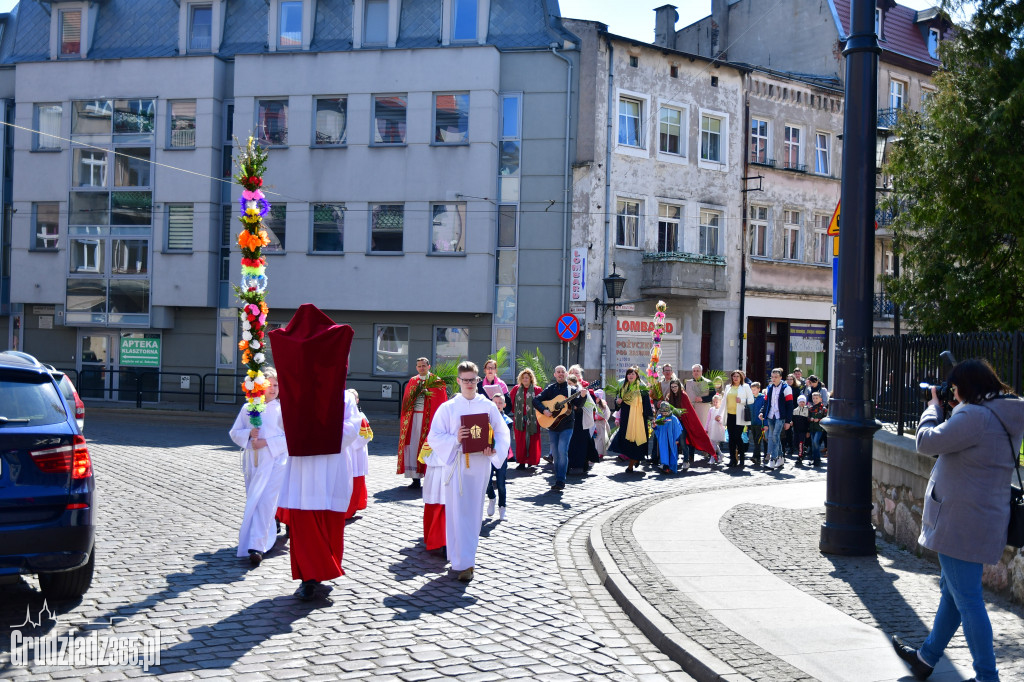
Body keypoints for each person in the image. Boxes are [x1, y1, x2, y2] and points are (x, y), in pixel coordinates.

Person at [891, 359, 1024, 682]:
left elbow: (925, 442)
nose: (952, 396)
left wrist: (933, 408)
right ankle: (926, 658)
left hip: (958, 522)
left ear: (966, 387)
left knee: (968, 601)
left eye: (954, 390)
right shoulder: (1008, 413)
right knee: (953, 593)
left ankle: (987, 677)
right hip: (983, 519)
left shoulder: (973, 415)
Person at [425, 361, 511, 582]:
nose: (469, 384)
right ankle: (459, 560)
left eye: (473, 380)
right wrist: (456, 439)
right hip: (456, 466)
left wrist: (493, 450)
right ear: (458, 381)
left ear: (478, 380)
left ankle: (467, 562)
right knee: (456, 513)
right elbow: (434, 436)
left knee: (473, 514)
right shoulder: (449, 407)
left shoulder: (488, 406)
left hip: (479, 465)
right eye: (465, 380)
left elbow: (502, 433)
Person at [277, 389, 362, 600]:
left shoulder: (345, 397)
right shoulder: (297, 392)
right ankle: (308, 578)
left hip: (332, 470)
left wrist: (321, 428)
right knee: (304, 524)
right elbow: (281, 422)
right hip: (303, 470)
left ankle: (322, 571)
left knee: (329, 525)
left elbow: (352, 428)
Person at [229, 367, 287, 566]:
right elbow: (235, 432)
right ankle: (262, 536)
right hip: (254, 463)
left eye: (277, 385)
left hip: (276, 461)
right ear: (260, 387)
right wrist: (248, 435)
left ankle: (256, 546)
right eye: (269, 385)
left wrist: (267, 442)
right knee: (255, 500)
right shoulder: (248, 409)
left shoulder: (282, 410)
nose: (274, 389)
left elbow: (289, 437)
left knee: (266, 501)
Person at [533, 365, 587, 492]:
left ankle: (561, 480)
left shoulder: (572, 390)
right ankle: (558, 477)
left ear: (566, 374)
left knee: (562, 451)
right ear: (555, 375)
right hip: (553, 425)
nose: (561, 374)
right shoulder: (550, 389)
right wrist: (544, 410)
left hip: (567, 426)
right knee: (556, 455)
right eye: (558, 372)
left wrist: (583, 396)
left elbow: (578, 405)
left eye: (563, 372)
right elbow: (535, 400)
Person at [397, 358, 448, 489]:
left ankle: (430, 478)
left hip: (429, 419)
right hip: (414, 418)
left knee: (428, 447)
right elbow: (407, 400)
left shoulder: (436, 381)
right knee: (414, 446)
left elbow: (441, 402)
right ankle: (415, 479)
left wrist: (427, 396)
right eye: (419, 366)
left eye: (424, 366)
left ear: (428, 366)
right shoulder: (413, 381)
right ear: (416, 367)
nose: (421, 368)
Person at [611, 366, 654, 474]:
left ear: (637, 376)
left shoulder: (642, 388)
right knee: (627, 440)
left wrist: (650, 418)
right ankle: (635, 458)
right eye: (629, 374)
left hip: (639, 418)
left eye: (633, 374)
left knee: (636, 440)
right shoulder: (623, 387)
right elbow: (617, 403)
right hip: (626, 418)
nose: (630, 376)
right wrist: (618, 402)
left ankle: (631, 464)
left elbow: (647, 404)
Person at [344, 389, 372, 520]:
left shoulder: (361, 417)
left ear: (357, 400)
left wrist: (350, 442)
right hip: (347, 452)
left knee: (355, 480)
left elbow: (365, 437)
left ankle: (353, 507)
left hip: (356, 453)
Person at [485, 393, 514, 520]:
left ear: (504, 405)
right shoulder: (486, 419)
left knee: (501, 483)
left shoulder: (507, 420)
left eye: (500, 403)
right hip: (488, 455)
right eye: (495, 403)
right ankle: (492, 497)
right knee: (487, 481)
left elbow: (504, 439)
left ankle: (502, 507)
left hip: (501, 455)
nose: (497, 405)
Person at [759, 368, 793, 470]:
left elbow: (790, 405)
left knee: (775, 436)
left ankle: (773, 460)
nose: (773, 379)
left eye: (776, 377)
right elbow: (766, 403)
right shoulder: (769, 388)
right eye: (772, 377)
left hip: (780, 416)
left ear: (781, 378)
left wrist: (788, 421)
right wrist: (762, 412)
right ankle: (781, 457)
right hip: (770, 416)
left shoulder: (786, 388)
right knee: (775, 437)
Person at [509, 368, 543, 469]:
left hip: (533, 420)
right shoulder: (516, 389)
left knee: (533, 441)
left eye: (527, 378)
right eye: (523, 378)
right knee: (521, 442)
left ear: (531, 379)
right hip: (520, 420)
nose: (525, 379)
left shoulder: (537, 390)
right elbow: (510, 402)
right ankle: (522, 462)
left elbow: (541, 404)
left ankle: (531, 461)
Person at [721, 369, 755, 468]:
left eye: (737, 376)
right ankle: (732, 459)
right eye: (734, 376)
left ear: (741, 378)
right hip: (730, 415)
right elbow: (723, 401)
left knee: (737, 437)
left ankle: (742, 458)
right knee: (731, 438)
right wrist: (719, 414)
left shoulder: (745, 387)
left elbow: (751, 400)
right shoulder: (728, 387)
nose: (735, 378)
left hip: (740, 416)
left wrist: (742, 400)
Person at [566, 374, 598, 473]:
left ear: (576, 383)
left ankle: (583, 463)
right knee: (570, 444)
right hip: (568, 421)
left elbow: (589, 405)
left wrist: (578, 406)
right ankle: (568, 464)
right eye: (568, 384)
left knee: (582, 443)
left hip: (581, 421)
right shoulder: (565, 391)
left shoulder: (582, 391)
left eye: (571, 384)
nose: (569, 386)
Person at [684, 364, 716, 463]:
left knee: (704, 431)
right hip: (691, 410)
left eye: (698, 370)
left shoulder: (708, 382)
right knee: (691, 431)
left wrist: (702, 399)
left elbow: (713, 396)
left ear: (701, 372)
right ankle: (690, 454)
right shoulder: (688, 383)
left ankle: (707, 451)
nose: (696, 372)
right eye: (694, 371)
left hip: (703, 410)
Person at [652, 402, 684, 474]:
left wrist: (677, 439)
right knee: (664, 452)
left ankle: (671, 467)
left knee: (671, 452)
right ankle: (665, 466)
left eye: (666, 412)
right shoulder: (660, 418)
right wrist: (654, 427)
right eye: (663, 412)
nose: (664, 414)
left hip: (672, 440)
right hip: (663, 440)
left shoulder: (673, 418)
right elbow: (657, 429)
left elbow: (678, 429)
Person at [703, 394, 727, 464]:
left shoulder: (721, 410)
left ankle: (714, 457)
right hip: (712, 427)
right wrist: (706, 428)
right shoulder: (711, 409)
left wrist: (719, 420)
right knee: (713, 442)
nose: (715, 403)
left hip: (718, 428)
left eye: (717, 402)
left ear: (720, 402)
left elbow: (723, 420)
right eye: (714, 402)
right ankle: (718, 455)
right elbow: (708, 419)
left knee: (714, 443)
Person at [807, 391, 827, 467]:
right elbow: (808, 418)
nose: (815, 400)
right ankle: (815, 459)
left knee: (816, 442)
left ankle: (817, 459)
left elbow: (825, 418)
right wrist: (810, 419)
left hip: (819, 428)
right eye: (813, 398)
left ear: (820, 399)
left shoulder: (823, 408)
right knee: (813, 444)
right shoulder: (810, 408)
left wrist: (818, 420)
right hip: (812, 428)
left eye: (816, 398)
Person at [748, 382, 766, 467]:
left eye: (754, 389)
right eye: (752, 390)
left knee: (758, 440)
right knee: (755, 440)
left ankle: (756, 456)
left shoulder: (762, 398)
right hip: (752, 422)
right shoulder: (750, 398)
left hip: (760, 423)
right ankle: (757, 457)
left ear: (759, 389)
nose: (753, 391)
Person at [592, 389, 613, 458]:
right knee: (595, 439)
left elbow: (607, 414)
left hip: (601, 425)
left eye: (596, 397)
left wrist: (601, 418)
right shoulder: (592, 404)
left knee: (601, 439)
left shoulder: (604, 406)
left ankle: (600, 453)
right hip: (593, 424)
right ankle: (595, 452)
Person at [791, 395, 810, 465]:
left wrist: (808, 431)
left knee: (800, 443)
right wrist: (791, 422)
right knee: (796, 443)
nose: (802, 403)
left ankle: (800, 457)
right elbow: (792, 419)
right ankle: (803, 451)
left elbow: (808, 422)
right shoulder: (795, 410)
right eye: (800, 402)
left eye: (803, 402)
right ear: (798, 402)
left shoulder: (807, 410)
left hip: (803, 430)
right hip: (796, 430)